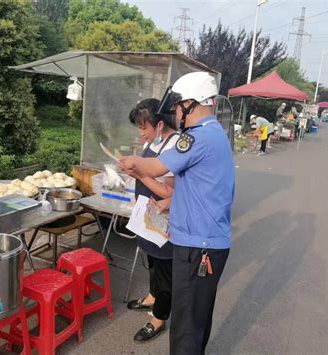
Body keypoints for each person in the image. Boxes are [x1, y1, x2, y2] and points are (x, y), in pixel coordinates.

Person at [119, 72, 235, 354]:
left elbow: (155, 168)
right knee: (195, 321)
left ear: (189, 104)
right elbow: (201, 186)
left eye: (176, 107)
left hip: (198, 247)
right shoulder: (215, 133)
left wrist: (131, 162)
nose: (175, 113)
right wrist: (173, 203)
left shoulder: (197, 138)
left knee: (185, 327)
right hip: (204, 242)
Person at [126, 98, 180, 342]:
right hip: (148, 216)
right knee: (152, 261)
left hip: (165, 218)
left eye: (143, 127)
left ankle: (159, 318)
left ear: (160, 125)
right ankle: (152, 296)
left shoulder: (174, 145)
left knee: (165, 269)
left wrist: (139, 173)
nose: (141, 133)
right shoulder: (156, 142)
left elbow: (169, 192)